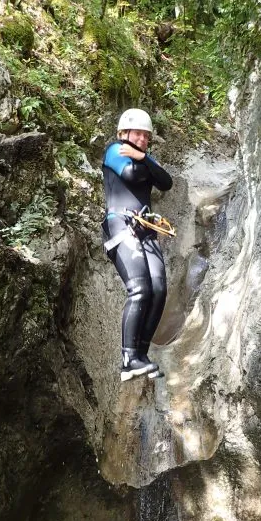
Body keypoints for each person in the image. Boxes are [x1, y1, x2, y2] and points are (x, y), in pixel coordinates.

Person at [102, 108, 173, 382]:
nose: (143, 139)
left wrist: (144, 158)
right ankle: (128, 358)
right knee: (140, 289)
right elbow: (131, 175)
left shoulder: (142, 156)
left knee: (158, 289)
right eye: (138, 134)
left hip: (145, 230)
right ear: (124, 133)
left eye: (146, 135)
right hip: (121, 225)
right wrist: (145, 164)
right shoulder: (114, 149)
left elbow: (166, 182)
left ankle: (141, 355)